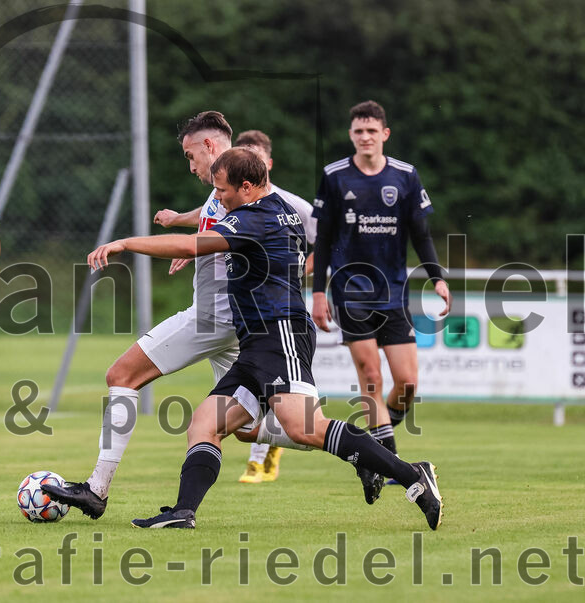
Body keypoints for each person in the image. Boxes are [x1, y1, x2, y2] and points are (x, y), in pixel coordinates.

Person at [85, 147, 443, 530]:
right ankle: (183, 512)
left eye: (222, 191)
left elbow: (193, 243)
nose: (218, 199)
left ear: (246, 186)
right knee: (206, 424)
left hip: (280, 333)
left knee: (303, 426)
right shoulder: (271, 206)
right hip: (255, 342)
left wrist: (126, 243)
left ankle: (411, 474)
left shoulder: (259, 217)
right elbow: (211, 238)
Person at [44, 112, 310, 520]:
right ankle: (355, 448)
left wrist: (130, 244)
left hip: (214, 318)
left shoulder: (246, 190)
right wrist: (180, 223)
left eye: (190, 156)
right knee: (243, 427)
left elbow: (215, 240)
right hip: (240, 325)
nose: (191, 166)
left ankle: (96, 489)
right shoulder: (224, 187)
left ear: (209, 147)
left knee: (121, 375)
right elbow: (209, 228)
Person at [311, 101, 451, 502]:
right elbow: (322, 240)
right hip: (349, 292)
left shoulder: (405, 176)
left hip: (393, 292)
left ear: (385, 134)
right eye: (358, 131)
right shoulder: (335, 177)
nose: (365, 137)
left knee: (407, 383)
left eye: (372, 131)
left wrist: (437, 278)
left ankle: (372, 454)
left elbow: (421, 234)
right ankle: (390, 462)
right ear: (351, 135)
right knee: (370, 377)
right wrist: (319, 292)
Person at [232, 129, 317, 484]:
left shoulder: (290, 204)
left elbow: (325, 242)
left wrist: (298, 273)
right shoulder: (232, 200)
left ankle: (260, 461)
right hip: (249, 313)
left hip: (282, 310)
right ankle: (268, 447)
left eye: (255, 155)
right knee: (259, 399)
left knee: (286, 398)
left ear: (268, 163)